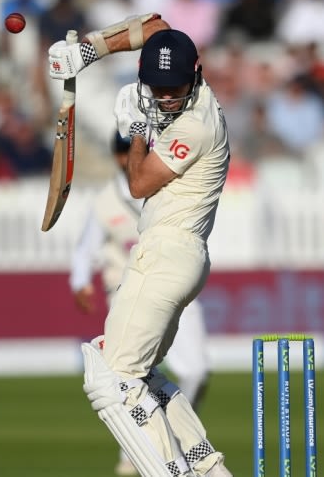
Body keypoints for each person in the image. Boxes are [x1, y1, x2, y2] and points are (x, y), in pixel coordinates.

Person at [49, 16, 233, 477]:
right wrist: (87, 52)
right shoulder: (176, 62)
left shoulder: (196, 124)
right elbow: (155, 27)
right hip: (177, 256)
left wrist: (133, 128)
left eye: (175, 90)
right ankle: (204, 466)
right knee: (144, 376)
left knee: (112, 379)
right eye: (158, 88)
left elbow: (139, 182)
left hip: (167, 252)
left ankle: (170, 472)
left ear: (197, 74)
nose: (167, 98)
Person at [69, 130, 212, 476]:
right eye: (122, 155)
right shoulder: (106, 201)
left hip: (173, 283)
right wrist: (80, 282)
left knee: (196, 372)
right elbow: (86, 247)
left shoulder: (166, 185)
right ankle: (140, 450)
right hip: (131, 293)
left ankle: (162, 437)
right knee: (131, 378)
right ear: (118, 158)